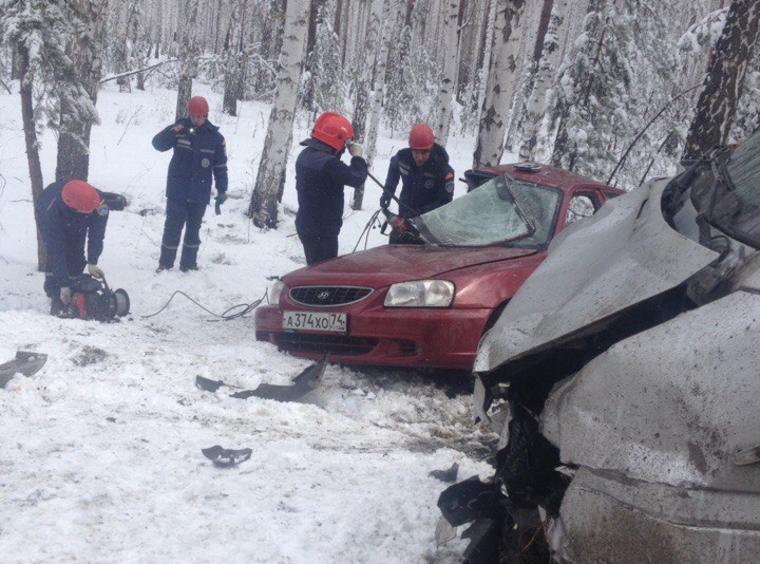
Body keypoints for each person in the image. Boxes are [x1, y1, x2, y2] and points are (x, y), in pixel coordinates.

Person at [152, 95, 228, 272]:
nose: (196, 120)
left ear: (206, 115)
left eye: (200, 116)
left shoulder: (215, 138)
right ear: (189, 114)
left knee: (194, 230)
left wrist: (222, 189)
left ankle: (188, 264)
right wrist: (173, 131)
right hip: (177, 190)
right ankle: (165, 263)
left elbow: (220, 166)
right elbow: (158, 144)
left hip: (199, 192)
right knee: (172, 227)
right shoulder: (180, 129)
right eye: (193, 116)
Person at [295, 112, 368, 265]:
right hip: (322, 231)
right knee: (323, 274)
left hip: (306, 224)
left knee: (314, 268)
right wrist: (358, 157)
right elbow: (357, 178)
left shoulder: (305, 155)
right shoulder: (329, 164)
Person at [37, 179, 109, 315]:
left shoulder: (100, 204)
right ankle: (55, 292)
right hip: (51, 211)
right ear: (77, 209)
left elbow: (97, 234)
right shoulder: (51, 212)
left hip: (76, 216)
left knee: (76, 251)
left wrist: (93, 261)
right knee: (61, 250)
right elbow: (55, 250)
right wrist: (63, 285)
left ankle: (75, 289)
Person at [381, 123, 455, 243]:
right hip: (405, 215)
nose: (419, 157)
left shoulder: (443, 169)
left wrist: (420, 212)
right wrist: (387, 193)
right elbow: (394, 168)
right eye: (416, 152)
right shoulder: (403, 158)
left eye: (424, 153)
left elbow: (445, 201)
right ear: (411, 149)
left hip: (430, 224)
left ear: (431, 149)